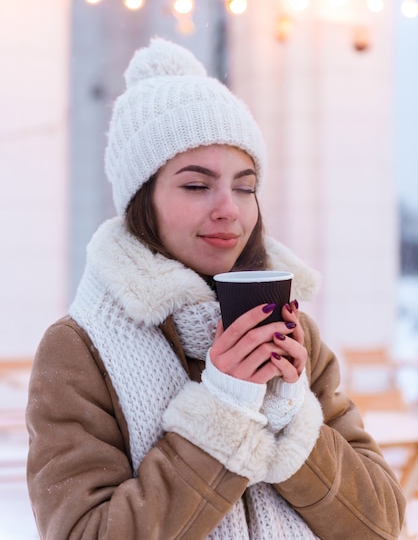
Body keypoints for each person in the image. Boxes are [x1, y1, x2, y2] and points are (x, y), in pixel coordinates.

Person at [26, 37, 405, 540]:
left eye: (245, 186)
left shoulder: (293, 332)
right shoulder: (78, 350)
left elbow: (379, 522)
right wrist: (223, 413)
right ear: (144, 200)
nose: (229, 208)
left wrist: (287, 414)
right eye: (196, 185)